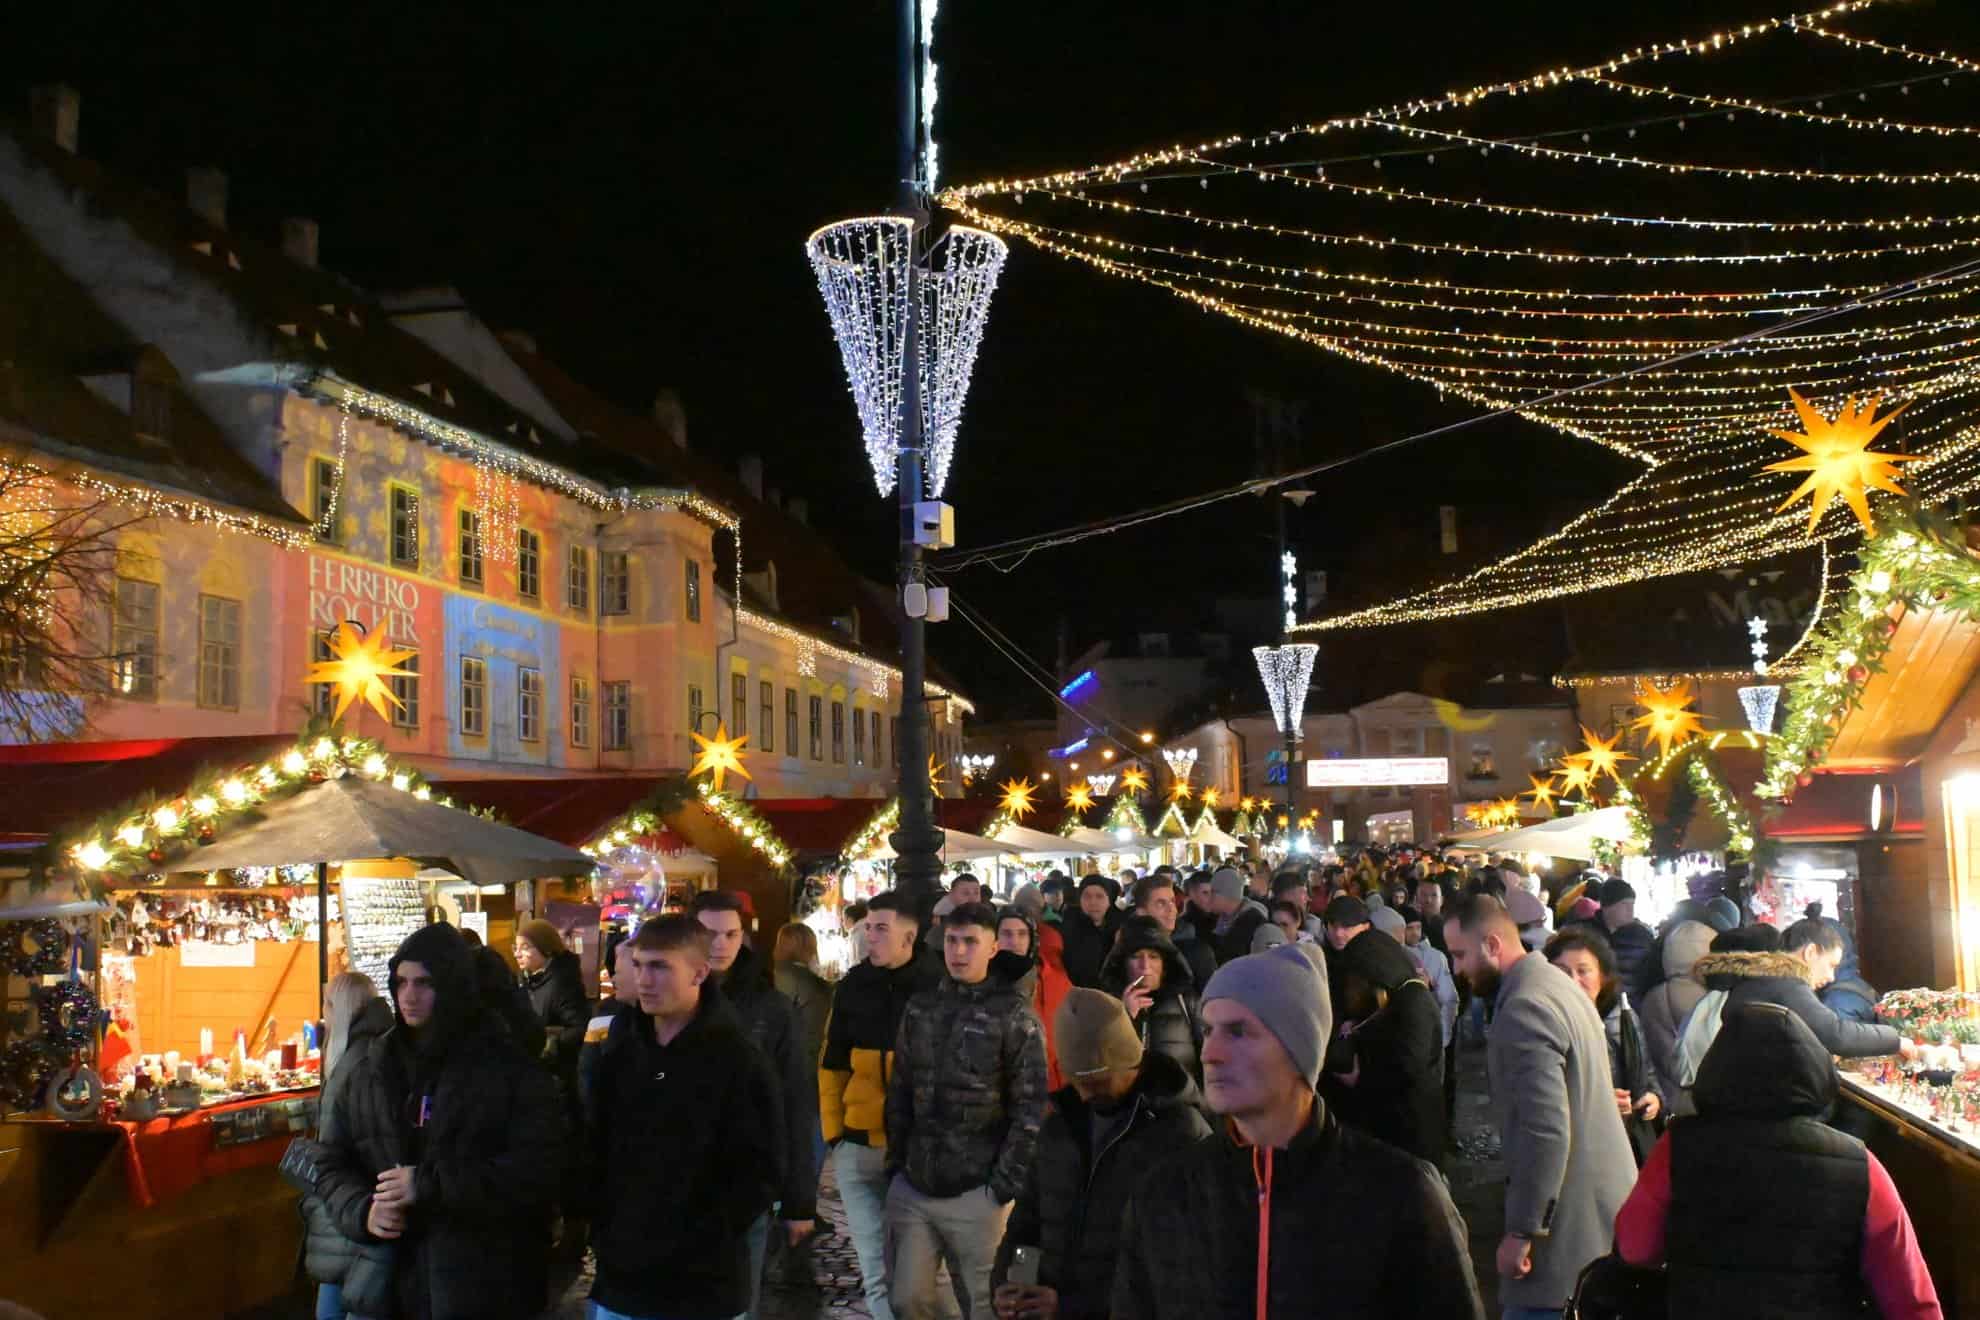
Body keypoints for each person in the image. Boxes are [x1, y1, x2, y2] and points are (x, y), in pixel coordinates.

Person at [1110, 943, 1484, 1319]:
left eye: (1238, 1031)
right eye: (1208, 1030)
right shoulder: (1165, 1195)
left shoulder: (1402, 1196)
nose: (1210, 1052)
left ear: (1299, 1048)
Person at [1615, 1003, 1943, 1319]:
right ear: (1815, 1073)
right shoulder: (1859, 1165)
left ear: (1716, 1070)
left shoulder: (1677, 1148)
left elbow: (1636, 1246)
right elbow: (1911, 1297)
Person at [313, 923, 563, 1320]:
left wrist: (429, 1185)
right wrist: (363, 1211)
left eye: (424, 983)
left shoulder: (506, 1069)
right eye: (401, 982)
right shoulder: (370, 1067)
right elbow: (330, 1160)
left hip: (481, 1283)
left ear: (452, 986)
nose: (409, 995)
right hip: (387, 1283)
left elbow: (537, 1172)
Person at [1444, 896, 1635, 1320]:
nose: (1456, 969)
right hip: (1599, 1220)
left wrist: (1522, 1231)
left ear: (1492, 944)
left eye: (1460, 954)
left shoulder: (1525, 1006)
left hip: (1563, 1241)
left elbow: (1544, 1129)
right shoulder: (1558, 985)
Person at [586, 915, 785, 1320]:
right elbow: (596, 1146)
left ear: (699, 973)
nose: (644, 980)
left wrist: (704, 1235)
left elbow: (759, 1167)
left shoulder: (736, 1058)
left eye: (660, 967)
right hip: (622, 1277)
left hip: (700, 1284)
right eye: (639, 965)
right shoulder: (620, 1051)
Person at [990, 990, 1210, 1320]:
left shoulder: (1179, 1136)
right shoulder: (1061, 1126)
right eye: (1077, 1080)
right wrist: (1015, 1283)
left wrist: (1073, 1308)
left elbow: (1179, 1270)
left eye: (1097, 1082)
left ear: (1132, 1062)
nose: (1084, 1092)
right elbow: (1029, 1224)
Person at [885, 901, 1048, 1320]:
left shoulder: (1013, 1014)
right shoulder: (921, 1007)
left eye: (970, 942)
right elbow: (901, 1086)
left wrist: (1003, 1184)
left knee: (989, 1303)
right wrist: (897, 1161)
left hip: (979, 1187)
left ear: (993, 947)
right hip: (917, 1179)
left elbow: (1030, 1106)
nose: (958, 951)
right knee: (908, 1298)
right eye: (952, 941)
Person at [692, 891, 818, 1316]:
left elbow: (795, 1104)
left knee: (738, 1304)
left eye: (731, 933)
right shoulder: (669, 998)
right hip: (675, 1183)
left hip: (745, 1183)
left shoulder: (772, 1008)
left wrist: (799, 1201)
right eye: (710, 933)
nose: (721, 944)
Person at [819, 893, 939, 1320]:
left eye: (881, 928)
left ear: (910, 935)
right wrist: (835, 1133)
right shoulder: (853, 985)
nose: (870, 936)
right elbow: (831, 1062)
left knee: (918, 1272)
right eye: (868, 927)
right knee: (874, 1263)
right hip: (858, 1144)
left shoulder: (935, 984)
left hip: (914, 1149)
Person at [300, 971, 393, 1320]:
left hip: (353, 1213)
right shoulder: (369, 1052)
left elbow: (369, 1144)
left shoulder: (359, 1061)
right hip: (352, 1210)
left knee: (341, 1306)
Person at [1324, 927, 1446, 1165]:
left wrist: (1360, 1077)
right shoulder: (1398, 997)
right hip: (1391, 1128)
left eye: (1357, 983)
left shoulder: (1415, 1002)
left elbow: (1407, 1066)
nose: (1353, 991)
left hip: (1413, 1130)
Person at [1544, 926, 1660, 1166]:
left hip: (1625, 1148)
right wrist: (1601, 1104)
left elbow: (1647, 1074)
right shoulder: (1543, 1024)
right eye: (1563, 972)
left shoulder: (1623, 1017)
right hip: (1573, 1153)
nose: (1573, 981)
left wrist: (1653, 1098)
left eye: (1583, 971)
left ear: (1602, 976)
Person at [1099, 914, 1202, 1084]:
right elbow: (1102, 1070)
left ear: (1165, 964)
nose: (1145, 966)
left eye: (1153, 956)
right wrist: (1124, 1018)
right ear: (1122, 963)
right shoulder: (1106, 1005)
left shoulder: (1186, 1002)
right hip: (1132, 1109)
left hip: (1182, 1106)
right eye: (1136, 956)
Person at [1635, 918, 1715, 1103]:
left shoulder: (1656, 997)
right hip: (1716, 1100)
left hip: (1676, 1102)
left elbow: (1660, 1055)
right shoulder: (1719, 994)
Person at [998, 904, 1071, 1092]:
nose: (1014, 941)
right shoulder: (980, 981)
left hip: (1054, 1088)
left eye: (1022, 934)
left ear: (1032, 939)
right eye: (1006, 934)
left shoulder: (1054, 979)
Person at [515, 919, 589, 1106]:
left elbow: (581, 1028)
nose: (517, 954)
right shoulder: (527, 980)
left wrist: (548, 1040)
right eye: (515, 948)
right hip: (534, 1077)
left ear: (545, 948)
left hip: (558, 1082)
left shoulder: (562, 982)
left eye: (525, 947)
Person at [1131, 871, 1217, 989]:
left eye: (1172, 901)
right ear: (1142, 912)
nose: (1172, 909)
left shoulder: (1197, 952)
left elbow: (1211, 998)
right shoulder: (1127, 951)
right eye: (1161, 904)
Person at [1578, 879, 1656, 999]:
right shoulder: (1582, 933)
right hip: (1591, 1004)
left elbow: (1651, 976)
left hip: (1632, 1007)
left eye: (1632, 904)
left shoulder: (1641, 936)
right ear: (1607, 906)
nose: (1630, 910)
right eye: (1624, 904)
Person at [1058, 874, 1122, 989]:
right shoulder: (1068, 930)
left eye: (1099, 896)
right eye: (1087, 896)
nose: (1093, 902)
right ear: (1080, 900)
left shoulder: (1121, 929)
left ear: (1109, 901)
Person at [1207, 866, 1276, 965]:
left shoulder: (1254, 921)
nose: (1209, 898)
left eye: (1212, 892)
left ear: (1224, 895)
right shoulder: (1219, 918)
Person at [1270, 872, 1324, 941]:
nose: (1308, 899)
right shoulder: (1267, 930)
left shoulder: (1314, 924)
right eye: (1304, 893)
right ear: (1287, 895)